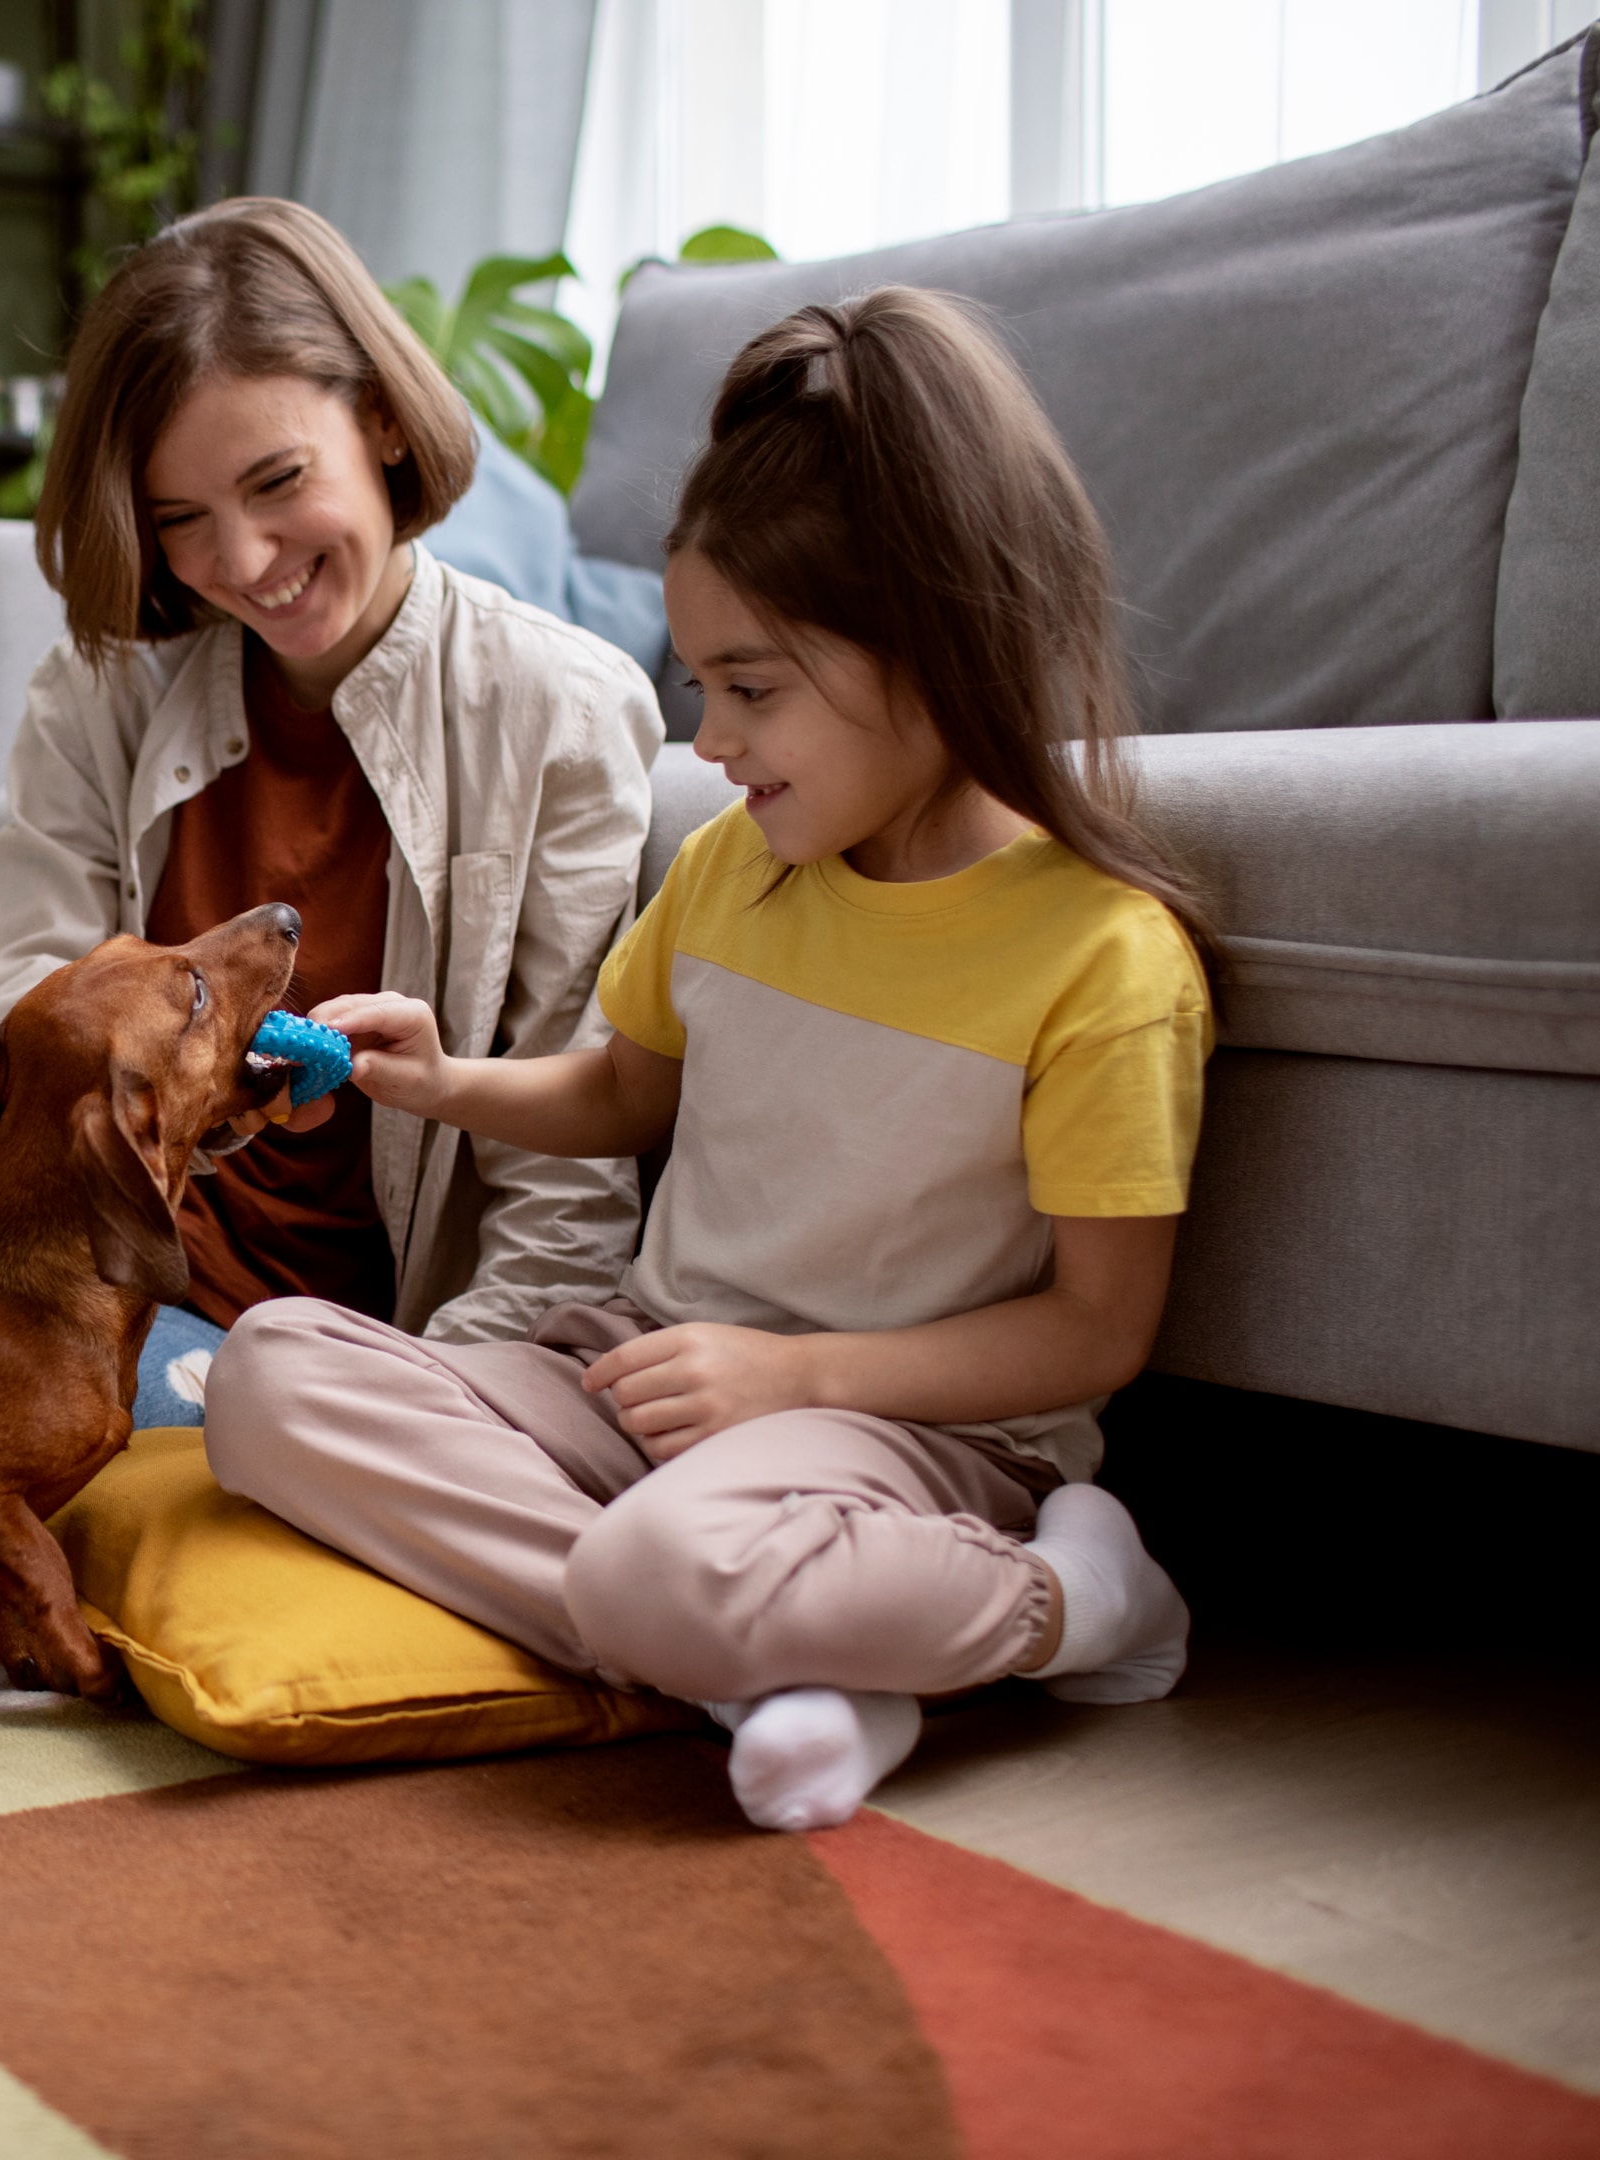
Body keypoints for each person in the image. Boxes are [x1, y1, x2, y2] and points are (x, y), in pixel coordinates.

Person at [205, 287, 1211, 1833]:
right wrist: (442, 1080)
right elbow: (623, 1091)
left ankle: (1071, 1601)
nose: (711, 741)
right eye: (701, 687)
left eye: (750, 688)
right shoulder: (742, 868)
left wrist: (793, 1376)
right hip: (653, 1372)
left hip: (902, 1438)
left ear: (936, 647)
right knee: (270, 1374)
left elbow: (1095, 1332)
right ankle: (760, 1664)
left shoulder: (1101, 959)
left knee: (656, 1564)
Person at [0, 196, 664, 1615]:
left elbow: (565, 1173)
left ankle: (8, 1507)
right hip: (25, 1234)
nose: (240, 563)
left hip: (298, 1336)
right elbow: (11, 991)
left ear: (378, 419)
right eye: (180, 518)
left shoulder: (557, 710)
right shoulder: (109, 682)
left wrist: (426, 1405)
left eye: (275, 483)